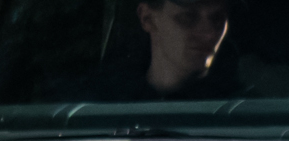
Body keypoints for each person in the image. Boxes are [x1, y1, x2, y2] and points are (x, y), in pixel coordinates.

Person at [82, 0, 239, 100]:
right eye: (188, 18)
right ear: (147, 18)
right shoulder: (100, 104)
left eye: (218, 19)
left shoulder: (243, 109)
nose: (209, 34)